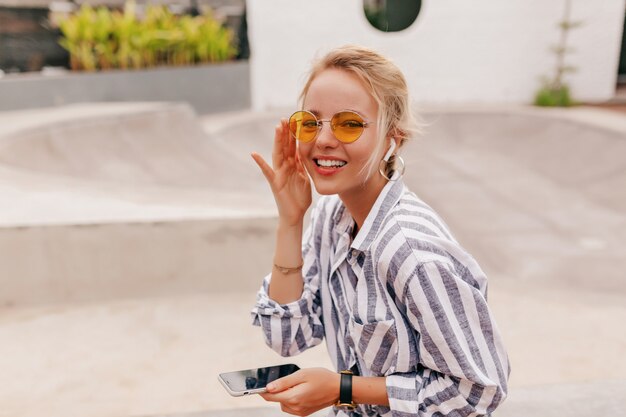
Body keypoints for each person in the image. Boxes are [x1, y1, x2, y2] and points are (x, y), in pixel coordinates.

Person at [250, 45, 510, 417]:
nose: (322, 139)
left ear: (393, 138)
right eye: (311, 122)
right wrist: (291, 222)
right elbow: (287, 337)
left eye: (349, 123)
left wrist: (343, 389)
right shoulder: (330, 218)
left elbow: (479, 390)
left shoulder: (410, 251)